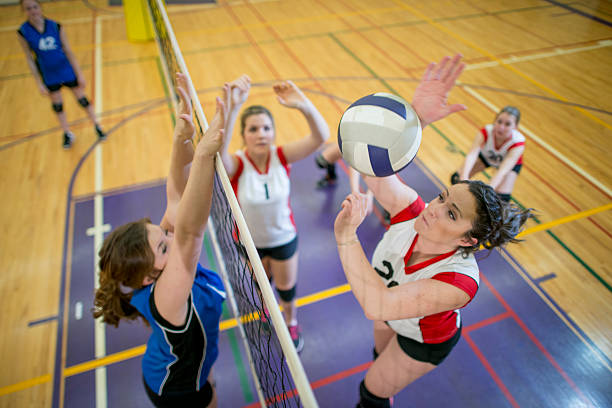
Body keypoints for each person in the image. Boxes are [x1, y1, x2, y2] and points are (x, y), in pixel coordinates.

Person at [333, 55, 532, 408]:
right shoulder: (412, 210)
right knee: (379, 358)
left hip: (423, 339)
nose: (433, 209)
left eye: (451, 213)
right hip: (390, 311)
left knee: (372, 391)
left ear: (468, 239)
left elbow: (376, 302)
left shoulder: (457, 283)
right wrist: (416, 119)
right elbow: (372, 168)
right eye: (442, 196)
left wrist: (347, 237)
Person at [93, 73, 226, 408]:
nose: (170, 234)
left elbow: (176, 197)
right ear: (147, 278)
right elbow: (191, 232)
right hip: (175, 389)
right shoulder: (166, 296)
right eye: (164, 245)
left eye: (162, 232)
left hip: (186, 365)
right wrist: (202, 157)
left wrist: (182, 139)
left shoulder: (159, 270)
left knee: (205, 377)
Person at [220, 75, 330, 352]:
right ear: (243, 134)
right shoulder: (237, 164)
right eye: (253, 129)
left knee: (286, 289)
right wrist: (232, 109)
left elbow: (321, 137)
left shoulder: (281, 156)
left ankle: (291, 322)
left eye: (266, 128)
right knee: (262, 290)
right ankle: (267, 314)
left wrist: (303, 104)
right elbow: (218, 158)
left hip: (283, 238)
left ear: (273, 132)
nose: (261, 134)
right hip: (250, 243)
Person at [17, 0, 106, 149]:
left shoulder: (55, 26)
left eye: (35, 7)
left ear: (40, 7)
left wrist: (79, 74)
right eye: (28, 8)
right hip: (49, 74)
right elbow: (29, 58)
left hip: (66, 70)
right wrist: (39, 83)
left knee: (82, 99)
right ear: (23, 11)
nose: (32, 11)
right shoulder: (23, 32)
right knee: (57, 105)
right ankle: (67, 133)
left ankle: (97, 125)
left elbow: (68, 51)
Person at [450, 106, 524, 202]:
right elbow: (472, 155)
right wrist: (464, 178)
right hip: (487, 157)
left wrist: (488, 191)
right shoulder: (486, 132)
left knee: (501, 199)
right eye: (499, 121)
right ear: (495, 121)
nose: (501, 127)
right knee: (456, 178)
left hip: (507, 166)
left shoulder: (517, 143)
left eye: (507, 124)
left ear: (515, 127)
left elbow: (502, 171)